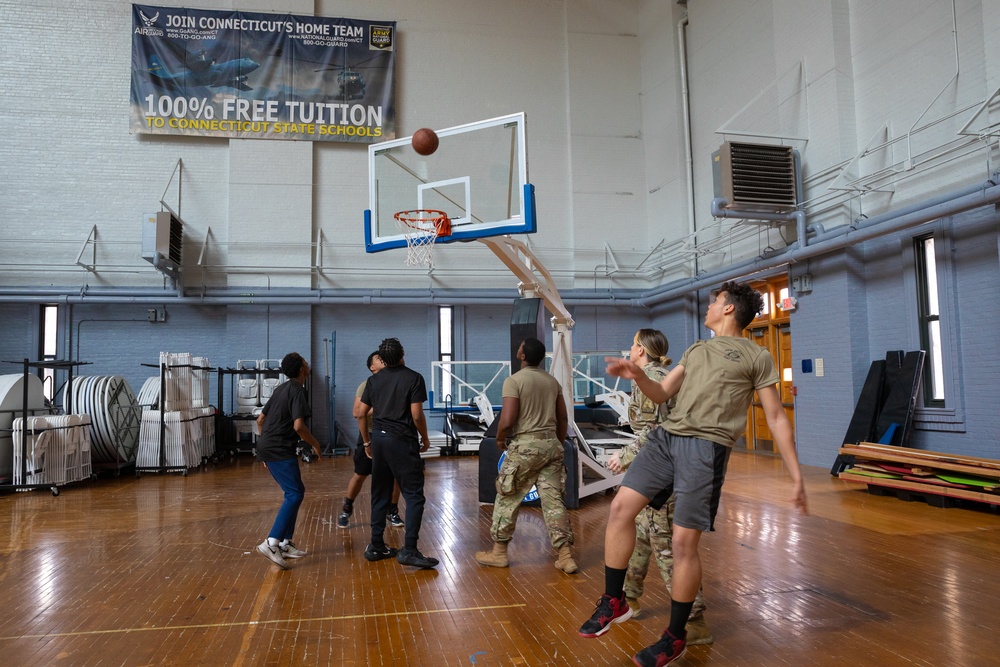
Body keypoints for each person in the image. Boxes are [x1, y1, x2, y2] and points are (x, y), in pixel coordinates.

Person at [578, 281, 808, 667]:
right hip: (666, 439)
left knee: (684, 544)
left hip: (706, 448)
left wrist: (796, 474)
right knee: (620, 510)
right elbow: (661, 393)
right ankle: (614, 601)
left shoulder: (757, 356)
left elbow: (775, 416)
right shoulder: (697, 348)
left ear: (729, 309)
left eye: (715, 301)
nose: (709, 306)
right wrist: (636, 374)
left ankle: (676, 636)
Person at [605, 329, 712, 645]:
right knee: (637, 532)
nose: (628, 348)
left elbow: (656, 432)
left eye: (632, 343)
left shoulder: (652, 377)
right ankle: (631, 597)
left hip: (664, 471)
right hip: (663, 465)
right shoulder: (656, 374)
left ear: (640, 349)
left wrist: (624, 456)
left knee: (665, 543)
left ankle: (695, 621)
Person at [475, 337, 578, 574]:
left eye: (520, 347)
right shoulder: (552, 382)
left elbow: (508, 419)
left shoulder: (514, 381)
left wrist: (500, 438)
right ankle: (565, 556)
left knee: (507, 496)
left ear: (522, 355)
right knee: (553, 502)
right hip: (551, 445)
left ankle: (499, 553)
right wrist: (557, 443)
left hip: (525, 447)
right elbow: (562, 417)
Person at [357, 337, 438, 569]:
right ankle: (409, 550)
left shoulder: (373, 381)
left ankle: (375, 546)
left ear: (381, 359)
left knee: (380, 493)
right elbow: (416, 415)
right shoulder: (414, 378)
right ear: (402, 353)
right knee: (414, 495)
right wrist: (425, 436)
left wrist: (366, 443)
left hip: (379, 441)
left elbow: (361, 414)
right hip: (402, 441)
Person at [254, 352, 323, 569]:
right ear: (302, 369)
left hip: (271, 447)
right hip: (279, 449)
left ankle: (285, 543)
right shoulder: (297, 390)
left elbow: (260, 419)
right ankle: (272, 542)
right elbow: (298, 426)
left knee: (293, 492)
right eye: (305, 361)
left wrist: (265, 448)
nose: (307, 363)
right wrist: (316, 443)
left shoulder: (281, 388)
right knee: (294, 494)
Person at [338, 351, 404, 529]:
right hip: (370, 435)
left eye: (383, 357)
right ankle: (347, 508)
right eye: (378, 358)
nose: (382, 359)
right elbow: (356, 413)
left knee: (395, 477)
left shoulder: (395, 383)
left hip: (391, 434)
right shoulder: (365, 385)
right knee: (360, 475)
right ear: (372, 367)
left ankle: (393, 511)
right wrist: (378, 406)